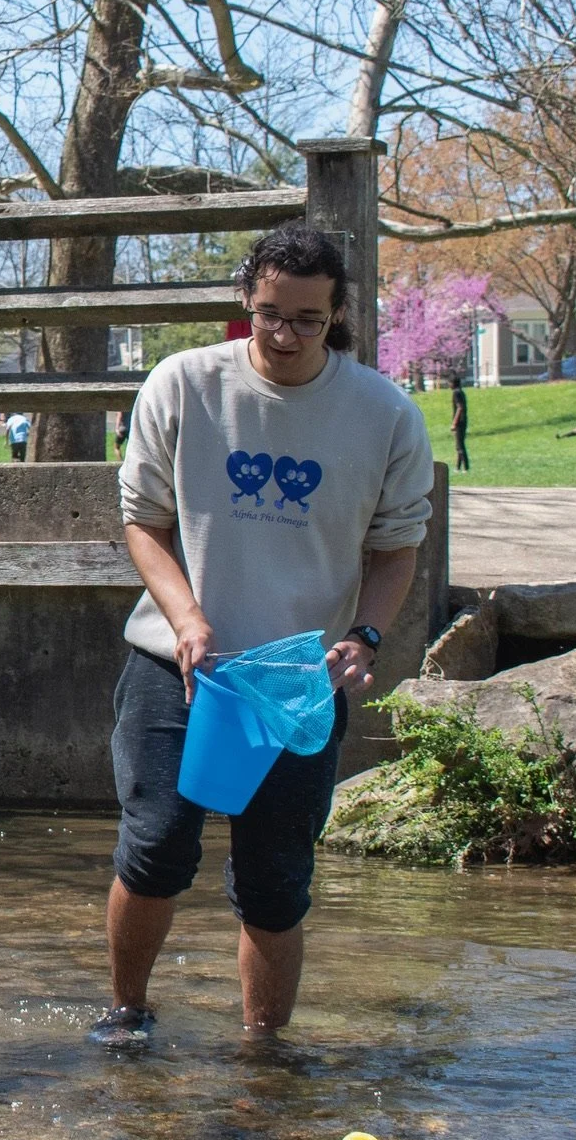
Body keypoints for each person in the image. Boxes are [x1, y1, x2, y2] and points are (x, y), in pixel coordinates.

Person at [90, 221, 434, 1050]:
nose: (283, 335)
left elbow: (397, 549)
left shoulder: (384, 414)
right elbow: (143, 523)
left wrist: (367, 635)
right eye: (269, 314)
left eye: (307, 320)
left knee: (275, 882)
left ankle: (263, 1052)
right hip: (179, 666)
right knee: (156, 848)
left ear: (338, 314)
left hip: (297, 681)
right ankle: (128, 1015)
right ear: (246, 298)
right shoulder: (183, 384)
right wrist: (187, 616)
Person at [449, 373, 470, 471]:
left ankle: (465, 467)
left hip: (459, 422)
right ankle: (458, 467)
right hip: (463, 421)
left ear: (453, 383)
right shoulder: (461, 392)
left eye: (450, 383)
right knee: (459, 445)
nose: (449, 385)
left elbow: (459, 407)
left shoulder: (456, 393)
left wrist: (454, 423)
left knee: (460, 445)